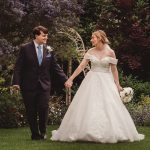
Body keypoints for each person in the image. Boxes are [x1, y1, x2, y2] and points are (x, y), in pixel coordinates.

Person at [51, 30, 144, 143]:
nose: (91, 40)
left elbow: (114, 70)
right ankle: (85, 131)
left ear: (100, 38)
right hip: (91, 80)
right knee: (88, 104)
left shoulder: (110, 52)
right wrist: (70, 78)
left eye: (93, 38)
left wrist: (118, 84)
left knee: (109, 105)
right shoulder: (90, 51)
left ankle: (111, 132)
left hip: (106, 81)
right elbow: (81, 67)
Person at [12, 25, 67, 140]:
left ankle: (43, 132)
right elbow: (18, 67)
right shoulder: (25, 48)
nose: (46, 38)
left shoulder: (49, 50)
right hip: (28, 85)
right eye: (44, 35)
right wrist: (16, 83)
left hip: (44, 85)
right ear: (36, 35)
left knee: (43, 108)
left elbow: (55, 67)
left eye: (46, 35)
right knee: (31, 110)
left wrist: (66, 80)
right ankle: (35, 134)